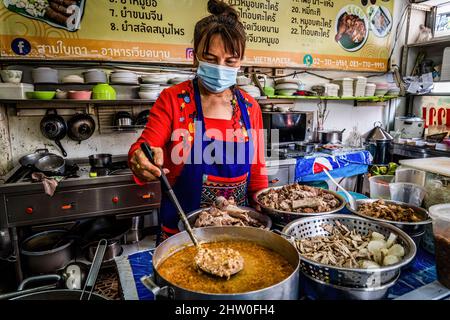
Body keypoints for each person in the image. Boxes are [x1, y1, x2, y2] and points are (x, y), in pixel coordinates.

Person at [128, 0, 268, 242]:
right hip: (183, 234)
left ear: (241, 61)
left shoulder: (249, 107)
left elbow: (257, 172)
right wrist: (141, 160)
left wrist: (265, 209)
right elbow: (142, 150)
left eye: (230, 61)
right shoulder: (173, 101)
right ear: (195, 58)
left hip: (239, 230)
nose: (220, 67)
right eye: (210, 58)